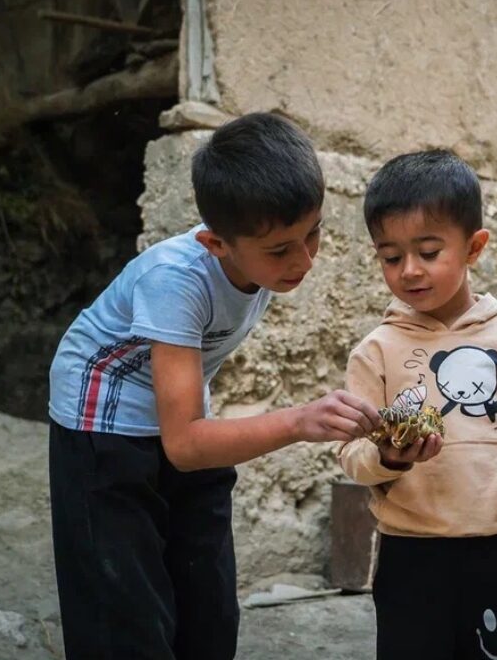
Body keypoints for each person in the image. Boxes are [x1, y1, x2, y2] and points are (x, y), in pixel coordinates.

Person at [47, 112, 380, 659]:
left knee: (209, 608)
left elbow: (185, 437)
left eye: (313, 233)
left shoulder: (263, 256)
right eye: (281, 250)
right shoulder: (174, 281)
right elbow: (184, 445)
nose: (304, 260)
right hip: (101, 427)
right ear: (216, 243)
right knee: (123, 616)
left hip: (182, 413)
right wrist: (300, 421)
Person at [338, 149, 497, 660]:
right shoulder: (375, 350)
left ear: (474, 247)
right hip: (409, 551)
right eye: (391, 257)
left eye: (429, 251)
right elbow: (352, 453)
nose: (409, 271)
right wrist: (387, 457)